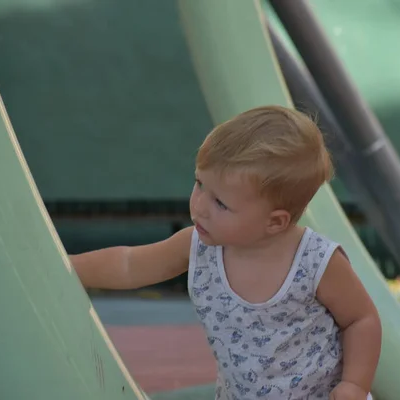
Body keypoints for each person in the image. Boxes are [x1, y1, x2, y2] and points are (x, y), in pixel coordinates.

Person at [70, 105, 382, 399]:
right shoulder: (198, 246)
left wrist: (354, 384)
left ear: (274, 222)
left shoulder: (316, 262)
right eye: (199, 184)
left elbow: (360, 319)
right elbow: (130, 264)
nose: (199, 206)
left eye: (220, 203)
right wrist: (67, 266)